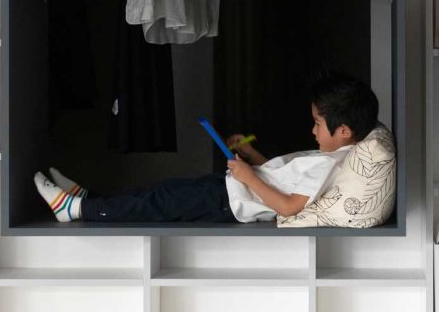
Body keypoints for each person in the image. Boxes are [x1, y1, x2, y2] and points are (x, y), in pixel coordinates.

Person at [33, 72, 380, 226]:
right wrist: (253, 159)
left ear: (345, 130)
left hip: (229, 203)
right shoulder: (333, 155)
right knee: (158, 193)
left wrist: (247, 175)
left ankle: (75, 210)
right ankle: (87, 200)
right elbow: (282, 176)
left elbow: (289, 206)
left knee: (157, 205)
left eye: (318, 123)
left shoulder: (330, 165)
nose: (313, 129)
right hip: (228, 190)